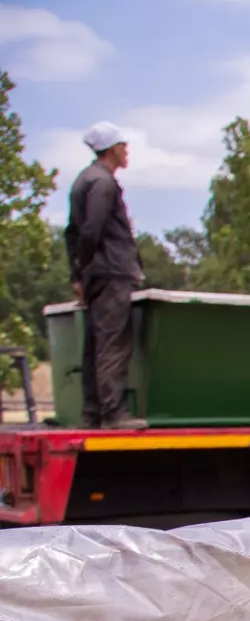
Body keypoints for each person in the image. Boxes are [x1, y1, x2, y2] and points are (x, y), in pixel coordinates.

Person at [65, 121, 145, 429]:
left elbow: (71, 233)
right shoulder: (103, 184)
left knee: (95, 342)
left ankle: (92, 414)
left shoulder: (82, 181)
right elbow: (90, 231)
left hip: (97, 273)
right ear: (112, 149)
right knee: (113, 340)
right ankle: (113, 413)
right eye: (124, 145)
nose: (127, 151)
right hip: (111, 271)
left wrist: (78, 275)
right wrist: (85, 268)